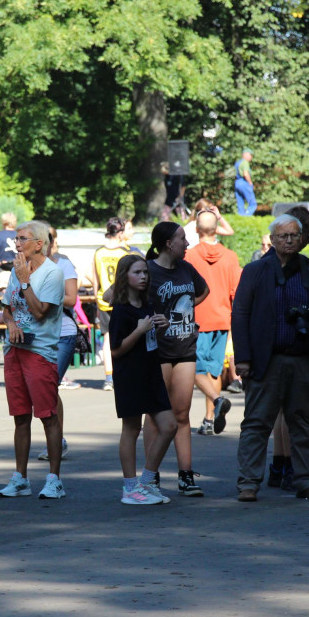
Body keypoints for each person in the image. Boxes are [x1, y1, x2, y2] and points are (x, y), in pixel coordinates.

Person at [232, 214, 309, 502]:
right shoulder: (254, 271)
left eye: (294, 235)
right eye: (283, 236)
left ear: (302, 238)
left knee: (303, 422)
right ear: (272, 240)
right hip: (266, 361)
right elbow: (240, 314)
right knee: (256, 423)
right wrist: (243, 358)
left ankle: (305, 479)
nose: (289, 240)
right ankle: (248, 482)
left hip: (304, 360)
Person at [0, 221, 66, 500]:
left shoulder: (52, 273)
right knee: (20, 416)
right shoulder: (18, 268)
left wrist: (25, 279)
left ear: (39, 243)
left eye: (22, 239)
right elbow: (6, 307)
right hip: (15, 350)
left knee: (47, 416)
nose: (16, 244)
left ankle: (54, 479)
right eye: (16, 239)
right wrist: (11, 324)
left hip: (40, 351)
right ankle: (20, 477)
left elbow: (39, 312)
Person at [144, 222, 209, 496]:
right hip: (158, 350)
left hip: (185, 347)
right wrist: (147, 319)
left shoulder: (186, 268)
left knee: (182, 413)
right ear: (169, 243)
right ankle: (151, 475)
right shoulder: (148, 269)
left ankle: (185, 475)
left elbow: (203, 291)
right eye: (183, 238)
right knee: (156, 414)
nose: (188, 243)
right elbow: (117, 296)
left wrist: (184, 307)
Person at [108, 255, 175, 504]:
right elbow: (116, 350)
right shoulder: (121, 310)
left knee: (169, 426)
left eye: (145, 272)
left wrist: (161, 327)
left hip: (151, 372)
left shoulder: (147, 304)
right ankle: (130, 488)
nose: (143, 277)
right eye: (137, 272)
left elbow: (150, 341)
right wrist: (139, 330)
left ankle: (146, 481)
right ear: (125, 276)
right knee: (132, 428)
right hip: (130, 375)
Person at [184, 208, 240, 436]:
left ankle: (215, 405)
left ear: (196, 230)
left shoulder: (188, 256)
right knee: (215, 371)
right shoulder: (230, 256)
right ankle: (209, 418)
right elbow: (237, 293)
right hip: (222, 319)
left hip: (197, 319)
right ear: (217, 229)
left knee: (195, 369)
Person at [42, 223, 77, 461]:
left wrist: (43, 297)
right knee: (45, 389)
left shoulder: (63, 264)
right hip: (37, 334)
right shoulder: (24, 266)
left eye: (48, 239)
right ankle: (56, 440)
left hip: (62, 333)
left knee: (50, 386)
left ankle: (58, 441)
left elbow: (72, 299)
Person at [93, 217, 136, 391]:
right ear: (119, 233)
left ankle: (108, 378)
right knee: (128, 336)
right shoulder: (125, 253)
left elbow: (96, 279)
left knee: (107, 338)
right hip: (122, 299)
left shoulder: (99, 253)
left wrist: (97, 300)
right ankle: (127, 373)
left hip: (104, 299)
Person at [234, 149, 256, 216]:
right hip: (243, 182)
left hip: (237, 183)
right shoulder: (245, 162)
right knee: (252, 203)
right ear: (245, 154)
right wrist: (250, 182)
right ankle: (247, 216)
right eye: (250, 155)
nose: (251, 157)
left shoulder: (237, 163)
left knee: (240, 202)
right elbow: (245, 174)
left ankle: (240, 215)